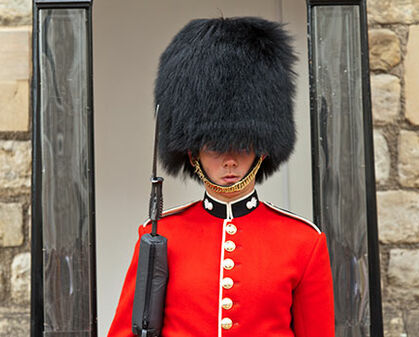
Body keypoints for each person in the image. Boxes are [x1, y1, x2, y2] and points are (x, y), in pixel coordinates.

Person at [107, 17, 334, 337]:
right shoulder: (161, 234)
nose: (229, 160)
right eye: (215, 148)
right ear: (192, 153)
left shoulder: (304, 242)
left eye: (242, 146)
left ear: (262, 150)